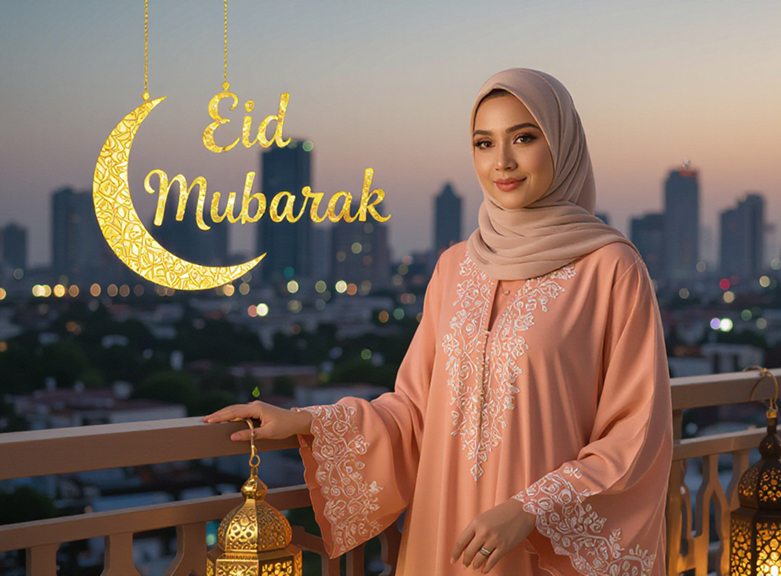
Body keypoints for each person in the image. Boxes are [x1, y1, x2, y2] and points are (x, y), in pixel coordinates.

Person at [203, 68, 673, 576]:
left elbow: (637, 431)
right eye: (484, 142)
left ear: (563, 143)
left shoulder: (610, 268)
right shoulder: (455, 267)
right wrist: (304, 421)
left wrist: (527, 509)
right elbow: (414, 411)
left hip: (536, 544)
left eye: (524, 137)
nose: (503, 161)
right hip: (444, 535)